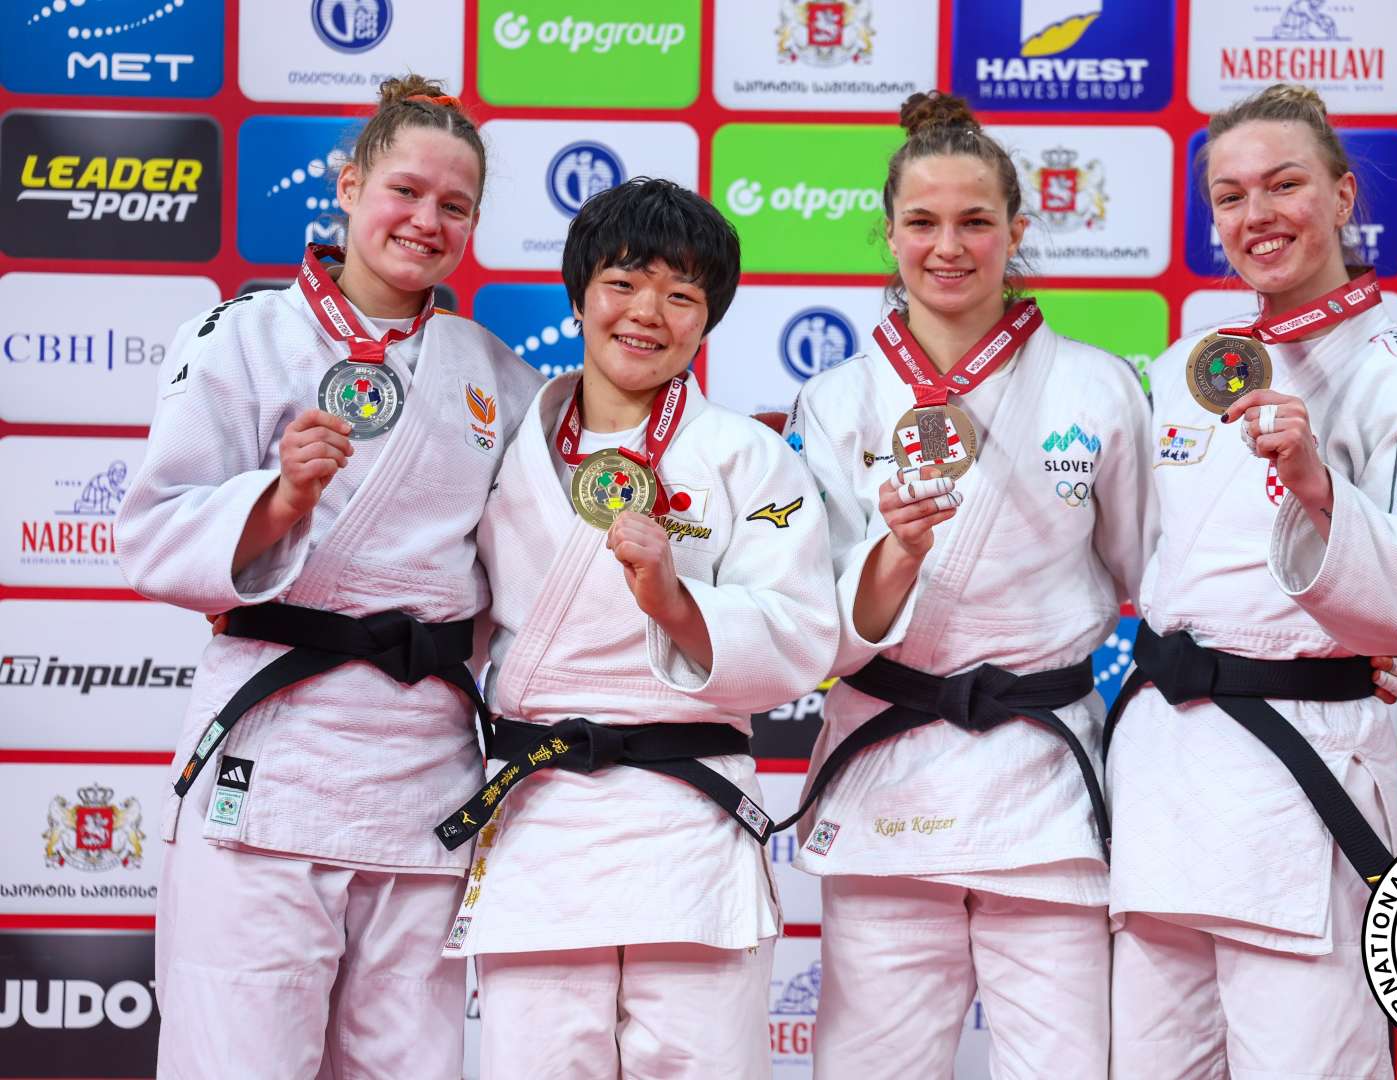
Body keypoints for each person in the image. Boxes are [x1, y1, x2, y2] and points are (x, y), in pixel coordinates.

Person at [115, 76, 542, 1078]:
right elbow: (155, 528)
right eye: (404, 191)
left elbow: (540, 565)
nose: (426, 221)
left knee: (409, 1062)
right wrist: (278, 501)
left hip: (424, 767)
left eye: (454, 206)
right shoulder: (243, 338)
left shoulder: (494, 373)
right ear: (348, 188)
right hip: (277, 751)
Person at [1106, 83, 1397, 1079]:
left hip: (1300, 785)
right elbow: (1139, 554)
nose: (1257, 215)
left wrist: (1321, 489)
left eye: (1285, 185)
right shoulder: (1196, 364)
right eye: (1230, 196)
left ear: (1342, 194)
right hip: (1166, 789)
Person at [784, 91, 1155, 1078]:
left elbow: (1162, 572)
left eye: (976, 221)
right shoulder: (834, 401)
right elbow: (814, 619)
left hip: (1043, 782)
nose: (949, 247)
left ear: (1017, 231)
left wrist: (1341, 637)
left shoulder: (1097, 386)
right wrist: (895, 556)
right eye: (923, 223)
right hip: (889, 779)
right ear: (890, 234)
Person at [442, 177, 839, 1080]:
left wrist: (676, 601)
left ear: (709, 318)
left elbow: (801, 633)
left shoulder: (749, 457)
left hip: (685, 815)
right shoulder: (511, 446)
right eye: (623, 282)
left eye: (682, 295)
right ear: (580, 293)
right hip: (543, 816)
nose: (647, 313)